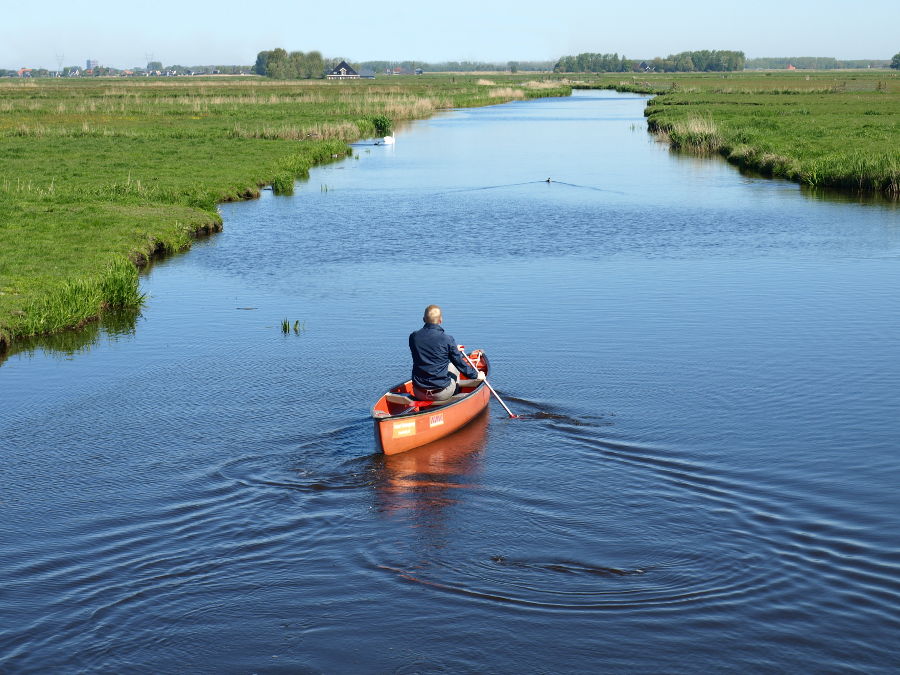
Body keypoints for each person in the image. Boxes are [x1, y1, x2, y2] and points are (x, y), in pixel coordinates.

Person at [409, 305, 484, 401]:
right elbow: (459, 363)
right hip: (441, 394)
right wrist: (477, 375)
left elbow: (428, 349)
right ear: (440, 320)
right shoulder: (447, 339)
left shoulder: (413, 337)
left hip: (419, 392)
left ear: (423, 319)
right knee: (453, 367)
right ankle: (455, 395)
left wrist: (452, 348)